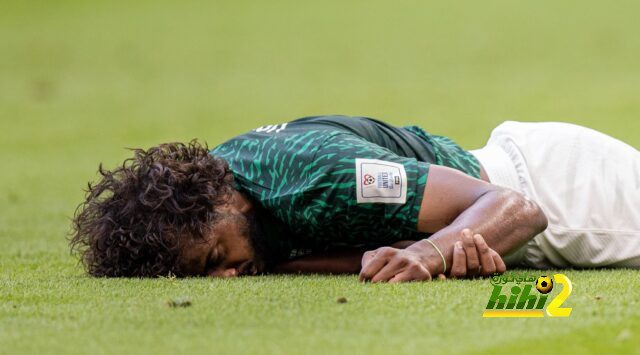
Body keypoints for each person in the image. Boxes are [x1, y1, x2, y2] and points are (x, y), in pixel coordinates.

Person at [70, 115, 639, 282]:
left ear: (226, 202)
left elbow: (517, 208)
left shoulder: (315, 175)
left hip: (561, 191)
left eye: (218, 259)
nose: (228, 279)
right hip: (511, 188)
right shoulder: (225, 182)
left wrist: (429, 254)